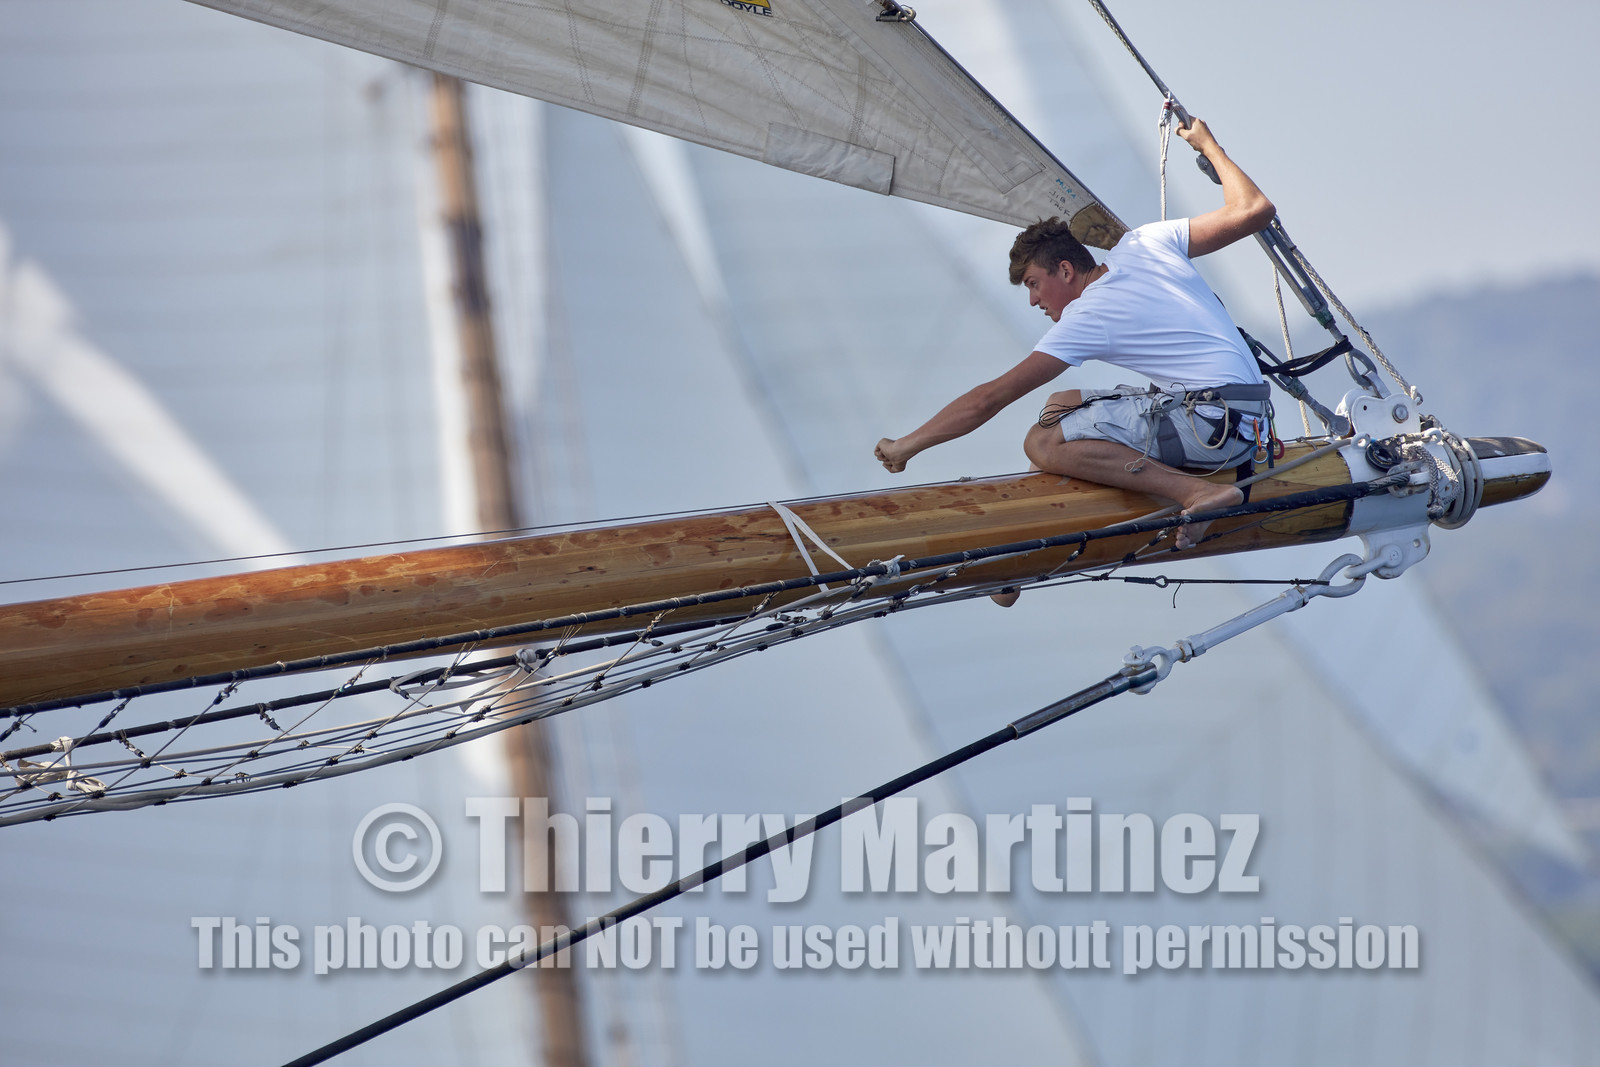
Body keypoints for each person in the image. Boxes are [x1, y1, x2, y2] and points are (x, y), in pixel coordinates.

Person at [874, 118, 1276, 556]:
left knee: (1041, 441)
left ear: (1065, 270)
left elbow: (988, 399)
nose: (1033, 301)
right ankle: (1025, 544)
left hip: (1213, 431)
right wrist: (1208, 146)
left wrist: (906, 445)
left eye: (1032, 283)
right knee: (1061, 404)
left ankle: (1196, 494)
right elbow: (1252, 209)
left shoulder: (1088, 314)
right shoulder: (1147, 242)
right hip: (1250, 420)